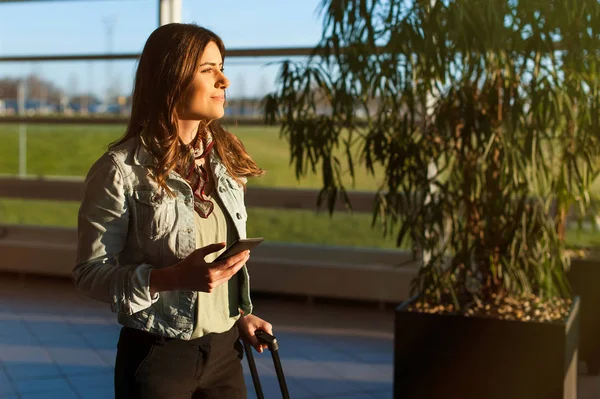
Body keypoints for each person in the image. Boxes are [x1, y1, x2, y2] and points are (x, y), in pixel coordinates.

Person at [72, 23, 273, 399]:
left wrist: (239, 314)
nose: (224, 80)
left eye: (222, 67)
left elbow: (220, 264)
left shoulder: (224, 160)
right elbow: (88, 274)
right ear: (172, 77)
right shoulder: (119, 169)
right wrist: (168, 279)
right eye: (208, 70)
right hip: (158, 356)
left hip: (225, 353)